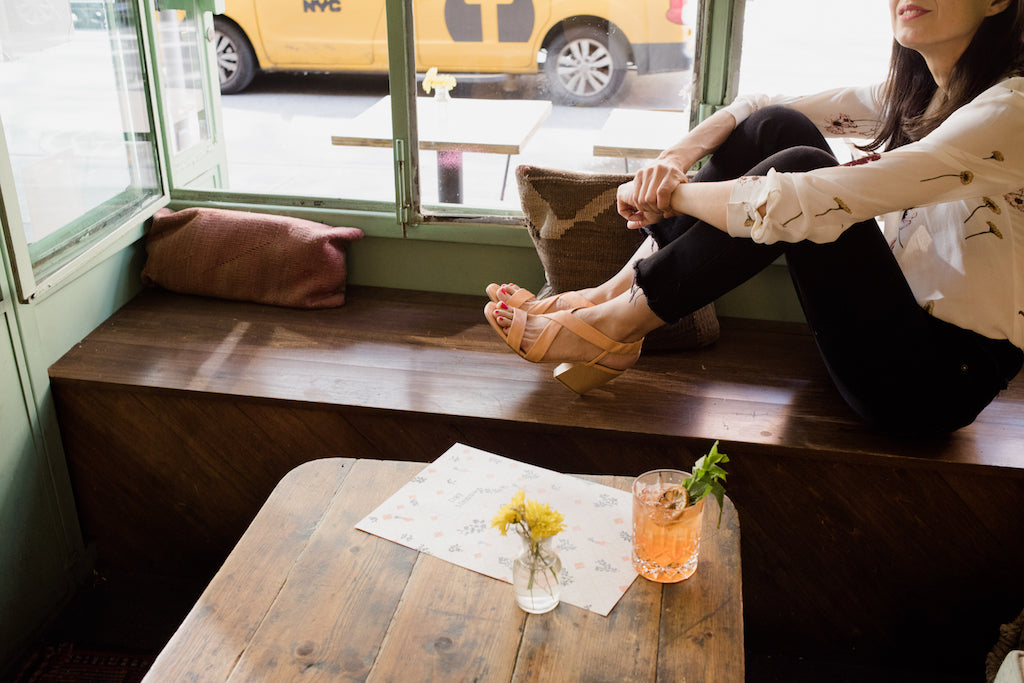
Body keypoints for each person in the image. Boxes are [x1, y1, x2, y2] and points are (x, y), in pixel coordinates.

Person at [485, 0, 1024, 436]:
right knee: (777, 126)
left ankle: (616, 325)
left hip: (930, 383)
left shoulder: (1011, 112)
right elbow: (759, 106)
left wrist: (673, 198)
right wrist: (673, 161)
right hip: (878, 327)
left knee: (803, 169)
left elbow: (808, 200)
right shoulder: (924, 93)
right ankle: (605, 296)